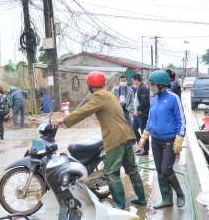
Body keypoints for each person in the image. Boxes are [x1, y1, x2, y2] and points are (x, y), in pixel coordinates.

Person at [53, 71, 147, 209]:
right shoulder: (109, 94)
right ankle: (141, 199)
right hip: (127, 134)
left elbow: (83, 111)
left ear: (90, 85)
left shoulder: (99, 97)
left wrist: (63, 120)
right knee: (131, 169)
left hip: (115, 137)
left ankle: (119, 206)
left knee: (110, 171)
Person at [138, 70, 186, 208]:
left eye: (152, 84)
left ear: (161, 85)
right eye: (150, 84)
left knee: (166, 170)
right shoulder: (154, 100)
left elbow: (181, 120)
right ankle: (167, 199)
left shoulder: (173, 98)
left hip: (169, 140)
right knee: (159, 171)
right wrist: (144, 135)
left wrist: (179, 138)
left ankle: (180, 194)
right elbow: (150, 119)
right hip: (156, 140)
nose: (150, 87)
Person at [131, 73, 150, 156]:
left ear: (136, 80)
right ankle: (140, 147)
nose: (133, 83)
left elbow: (144, 102)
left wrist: (138, 109)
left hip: (142, 114)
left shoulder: (143, 88)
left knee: (143, 132)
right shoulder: (138, 88)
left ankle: (145, 150)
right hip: (137, 114)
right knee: (134, 129)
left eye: (133, 81)